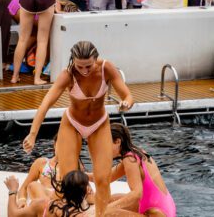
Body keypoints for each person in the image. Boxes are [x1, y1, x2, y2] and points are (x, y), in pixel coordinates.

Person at [22, 41, 134, 217]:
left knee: (103, 179)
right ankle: (60, 213)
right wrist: (33, 134)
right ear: (73, 61)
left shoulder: (107, 68)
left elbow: (127, 95)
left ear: (96, 59)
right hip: (72, 123)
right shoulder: (68, 74)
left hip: (99, 124)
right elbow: (46, 103)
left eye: (88, 66)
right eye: (79, 66)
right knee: (67, 180)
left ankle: (102, 215)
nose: (84, 70)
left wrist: (126, 103)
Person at [106, 123, 176, 217]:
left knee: (108, 213)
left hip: (157, 214)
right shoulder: (136, 153)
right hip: (164, 208)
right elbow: (106, 178)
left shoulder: (130, 160)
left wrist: (108, 208)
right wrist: (82, 174)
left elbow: (136, 194)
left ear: (118, 142)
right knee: (113, 198)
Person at [4, 170, 94, 216]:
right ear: (87, 190)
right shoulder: (85, 214)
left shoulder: (44, 205)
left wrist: (13, 190)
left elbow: (13, 215)